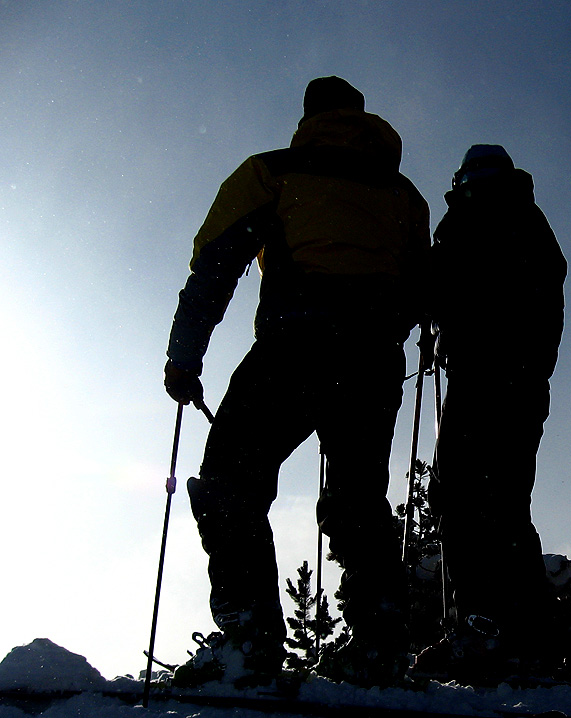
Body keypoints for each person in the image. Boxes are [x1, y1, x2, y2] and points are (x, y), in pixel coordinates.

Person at [164, 76, 430, 687]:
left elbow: (217, 261)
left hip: (296, 345)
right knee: (359, 500)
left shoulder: (273, 170)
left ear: (309, 115)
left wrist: (185, 356)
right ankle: (380, 647)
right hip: (374, 358)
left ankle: (249, 642)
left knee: (232, 477)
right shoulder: (404, 195)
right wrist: (377, 326)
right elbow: (422, 285)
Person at [417, 145, 567, 683]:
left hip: (483, 376)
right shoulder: (531, 224)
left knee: (459, 495)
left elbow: (446, 286)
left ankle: (481, 630)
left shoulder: (470, 221)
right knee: (503, 503)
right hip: (525, 384)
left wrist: (437, 319)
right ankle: (530, 639)